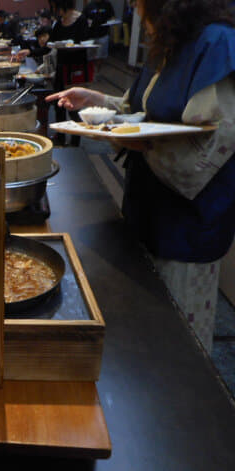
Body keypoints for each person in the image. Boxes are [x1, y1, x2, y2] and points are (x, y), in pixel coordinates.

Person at [46, 0, 235, 352]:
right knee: (146, 328)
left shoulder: (217, 44)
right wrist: (97, 98)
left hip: (187, 225)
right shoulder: (172, 41)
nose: (135, 7)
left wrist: (143, 146)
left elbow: (216, 146)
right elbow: (143, 110)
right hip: (147, 205)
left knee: (179, 344)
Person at [51, 0, 90, 146]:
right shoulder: (59, 22)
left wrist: (72, 46)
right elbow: (51, 42)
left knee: (74, 107)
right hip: (61, 68)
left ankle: (75, 140)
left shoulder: (81, 20)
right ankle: (60, 136)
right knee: (59, 105)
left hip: (75, 70)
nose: (57, 11)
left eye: (57, 7)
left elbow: (85, 43)